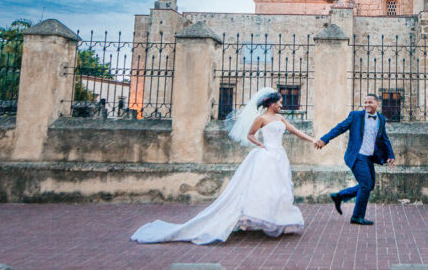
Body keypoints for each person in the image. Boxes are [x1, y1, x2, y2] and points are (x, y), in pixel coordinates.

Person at [131, 88, 313, 244]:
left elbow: (296, 132)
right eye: (279, 103)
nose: (281, 105)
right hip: (266, 156)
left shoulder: (281, 119)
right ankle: (263, 219)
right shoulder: (261, 119)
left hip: (279, 157)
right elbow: (250, 135)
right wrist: (261, 145)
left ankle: (277, 220)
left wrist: (314, 140)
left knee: (279, 190)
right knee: (263, 189)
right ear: (271, 104)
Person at [315, 93, 395, 225]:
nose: (367, 105)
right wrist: (324, 139)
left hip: (369, 157)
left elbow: (384, 138)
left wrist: (390, 155)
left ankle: (340, 196)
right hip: (357, 156)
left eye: (370, 102)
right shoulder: (356, 116)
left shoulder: (381, 119)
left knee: (369, 185)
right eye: (365, 102)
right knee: (365, 185)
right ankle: (357, 216)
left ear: (377, 104)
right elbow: (340, 128)